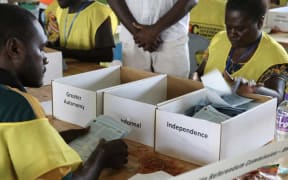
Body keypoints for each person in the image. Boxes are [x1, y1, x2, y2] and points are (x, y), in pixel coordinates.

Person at [0, 4, 127, 180]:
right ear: (14, 48)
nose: (45, 58)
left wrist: (53, 137)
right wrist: (101, 156)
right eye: (40, 48)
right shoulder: (19, 105)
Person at [194, 0, 288, 104]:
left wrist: (253, 89)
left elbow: (278, 98)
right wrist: (194, 77)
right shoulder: (219, 39)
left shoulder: (275, 55)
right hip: (207, 106)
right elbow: (200, 72)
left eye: (240, 28)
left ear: (260, 22)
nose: (232, 34)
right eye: (228, 27)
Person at [107, 0, 197, 78]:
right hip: (133, 38)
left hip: (172, 37)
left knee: (175, 93)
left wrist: (154, 31)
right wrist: (138, 33)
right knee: (133, 92)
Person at [45, 0, 117, 62]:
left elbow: (106, 55)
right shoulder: (63, 12)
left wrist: (65, 52)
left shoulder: (98, 12)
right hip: (71, 71)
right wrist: (52, 45)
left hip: (93, 73)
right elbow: (66, 39)